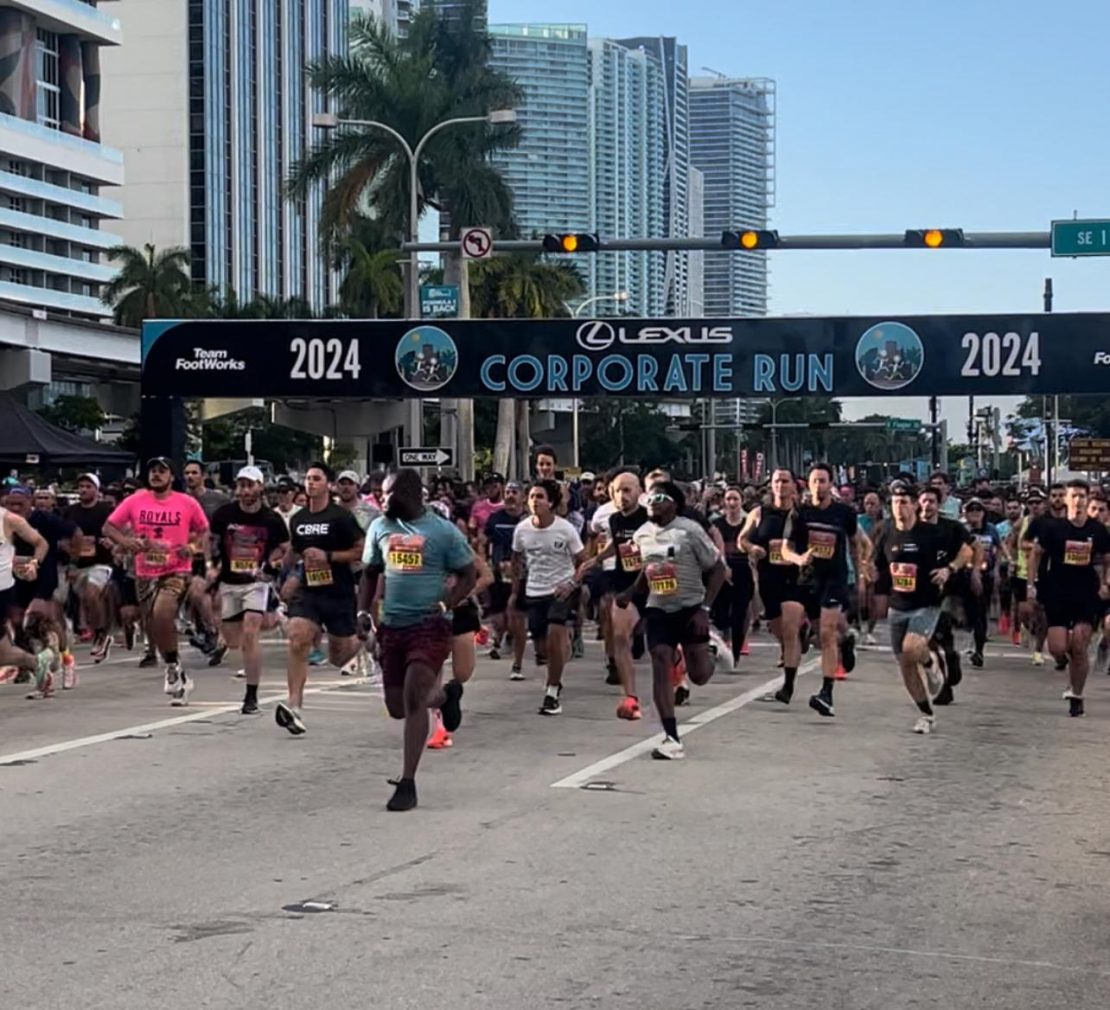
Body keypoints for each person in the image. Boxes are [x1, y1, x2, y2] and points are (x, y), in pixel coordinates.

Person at [362, 469, 477, 811]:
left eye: (387, 494)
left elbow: (469, 574)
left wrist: (447, 603)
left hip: (429, 625)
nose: (381, 500)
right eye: (379, 494)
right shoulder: (379, 528)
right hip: (392, 627)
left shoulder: (443, 532)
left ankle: (408, 783)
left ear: (410, 495)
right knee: (397, 707)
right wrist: (363, 613)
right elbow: (369, 573)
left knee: (413, 696)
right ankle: (445, 696)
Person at [616, 480, 726, 759]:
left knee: (699, 676)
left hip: (690, 607)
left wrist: (705, 609)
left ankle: (711, 649)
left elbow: (718, 569)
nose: (652, 504)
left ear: (674, 504)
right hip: (658, 608)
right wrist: (631, 592)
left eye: (659, 498)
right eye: (649, 499)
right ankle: (671, 736)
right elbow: (648, 569)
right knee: (660, 660)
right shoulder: (642, 534)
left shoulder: (690, 531)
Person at [104, 457, 210, 705]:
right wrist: (126, 542)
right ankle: (175, 666)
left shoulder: (186, 502)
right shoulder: (135, 500)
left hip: (176, 570)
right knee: (153, 625)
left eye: (162, 471)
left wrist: (192, 547)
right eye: (153, 470)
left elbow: (205, 531)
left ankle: (172, 667)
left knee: (164, 612)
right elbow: (109, 527)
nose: (156, 475)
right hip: (145, 572)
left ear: (172, 476)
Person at [276, 462, 365, 735]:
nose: (310, 483)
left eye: (316, 478)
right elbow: (295, 551)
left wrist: (329, 556)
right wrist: (282, 571)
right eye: (308, 478)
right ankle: (294, 706)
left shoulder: (341, 517)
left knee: (339, 656)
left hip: (339, 592)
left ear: (329, 484)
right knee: (298, 636)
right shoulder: (299, 519)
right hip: (309, 590)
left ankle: (365, 640)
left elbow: (361, 551)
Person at [784, 463, 865, 718]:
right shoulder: (800, 513)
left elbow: (856, 544)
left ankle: (826, 693)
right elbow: (786, 548)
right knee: (811, 633)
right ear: (808, 484)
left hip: (834, 579)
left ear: (831, 484)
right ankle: (845, 642)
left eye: (822, 481)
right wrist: (798, 559)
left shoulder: (844, 513)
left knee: (827, 632)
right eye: (814, 481)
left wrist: (860, 575)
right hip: (808, 580)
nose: (818, 486)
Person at [1025, 480, 1110, 717]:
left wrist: (1106, 582)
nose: (1078, 500)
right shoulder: (1054, 528)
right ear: (1066, 499)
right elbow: (1036, 555)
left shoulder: (1097, 530)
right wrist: (1031, 585)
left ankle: (1076, 695)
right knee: (1059, 648)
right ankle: (1065, 662)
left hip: (1087, 593)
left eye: (1082, 496)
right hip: (1057, 591)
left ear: (1087, 499)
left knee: (1080, 645)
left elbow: (1107, 559)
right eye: (1074, 496)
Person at [209, 466, 290, 715]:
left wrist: (272, 565)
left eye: (250, 485)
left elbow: (285, 548)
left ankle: (251, 696)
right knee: (234, 641)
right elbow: (209, 539)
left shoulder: (271, 519)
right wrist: (211, 565)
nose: (245, 491)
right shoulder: (225, 514)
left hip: (256, 582)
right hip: (229, 582)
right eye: (241, 485)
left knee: (250, 632)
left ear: (260, 487)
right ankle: (275, 616)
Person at [877, 482, 952, 734]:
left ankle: (930, 663)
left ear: (914, 506)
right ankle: (926, 714)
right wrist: (871, 577)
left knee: (911, 648)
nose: (898, 508)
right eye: (894, 503)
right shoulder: (887, 532)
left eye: (904, 502)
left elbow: (961, 552)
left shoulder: (931, 534)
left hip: (926, 604)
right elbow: (879, 565)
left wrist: (947, 570)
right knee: (905, 664)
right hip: (898, 606)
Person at [511, 479, 586, 716]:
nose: (535, 501)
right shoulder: (522, 529)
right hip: (534, 590)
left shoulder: (565, 529)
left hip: (561, 590)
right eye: (532, 497)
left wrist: (572, 584)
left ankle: (552, 692)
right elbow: (516, 561)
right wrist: (515, 592)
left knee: (555, 634)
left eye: (540, 497)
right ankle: (560, 654)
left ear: (551, 502)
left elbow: (583, 560)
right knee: (542, 650)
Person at [577, 471, 648, 719]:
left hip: (652, 585)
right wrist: (596, 560)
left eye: (627, 490)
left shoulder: (650, 519)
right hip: (624, 583)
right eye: (618, 491)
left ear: (639, 492)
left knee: (663, 644)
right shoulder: (615, 520)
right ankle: (631, 697)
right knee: (619, 636)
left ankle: (678, 675)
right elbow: (616, 545)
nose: (622, 496)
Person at [741, 468, 807, 705]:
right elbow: (742, 539)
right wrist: (752, 548)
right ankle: (798, 637)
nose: (780, 485)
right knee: (778, 628)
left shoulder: (802, 515)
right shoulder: (759, 513)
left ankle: (788, 685)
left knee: (789, 630)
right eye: (777, 481)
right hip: (769, 578)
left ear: (794, 486)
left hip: (796, 578)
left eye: (785, 481)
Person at [65, 473, 116, 661]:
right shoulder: (70, 511)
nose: (84, 490)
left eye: (88, 486)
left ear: (96, 489)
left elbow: (120, 529)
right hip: (77, 564)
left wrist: (111, 541)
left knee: (91, 592)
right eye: (81, 487)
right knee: (83, 600)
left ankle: (101, 634)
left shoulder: (106, 510)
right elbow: (63, 534)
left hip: (101, 563)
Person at [479, 480, 527, 676]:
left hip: (521, 574)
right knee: (498, 616)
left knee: (514, 611)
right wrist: (484, 561)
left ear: (523, 497)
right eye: (507, 492)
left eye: (514, 492)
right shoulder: (495, 518)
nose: (510, 496)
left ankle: (507, 640)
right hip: (499, 572)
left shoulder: (528, 520)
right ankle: (501, 635)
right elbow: (483, 540)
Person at [183, 460, 230, 656]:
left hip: (215, 555)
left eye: (194, 473)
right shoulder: (179, 500)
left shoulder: (218, 500)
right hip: (187, 557)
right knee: (196, 595)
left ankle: (213, 634)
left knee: (209, 596)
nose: (190, 476)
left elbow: (231, 526)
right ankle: (210, 633)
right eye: (187, 473)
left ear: (203, 476)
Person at [709, 485, 754, 666]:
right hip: (723, 572)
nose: (732, 503)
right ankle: (724, 643)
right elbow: (713, 548)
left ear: (742, 501)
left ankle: (735, 653)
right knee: (721, 614)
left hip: (744, 571)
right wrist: (722, 567)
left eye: (735, 499)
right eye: (729, 499)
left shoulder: (748, 523)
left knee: (740, 613)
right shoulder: (717, 524)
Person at [963, 498, 1001, 668]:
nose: (975, 513)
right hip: (964, 575)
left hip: (986, 576)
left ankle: (979, 651)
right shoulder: (962, 529)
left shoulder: (991, 530)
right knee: (969, 612)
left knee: (980, 612)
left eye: (978, 510)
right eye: (971, 510)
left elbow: (998, 550)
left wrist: (997, 571)